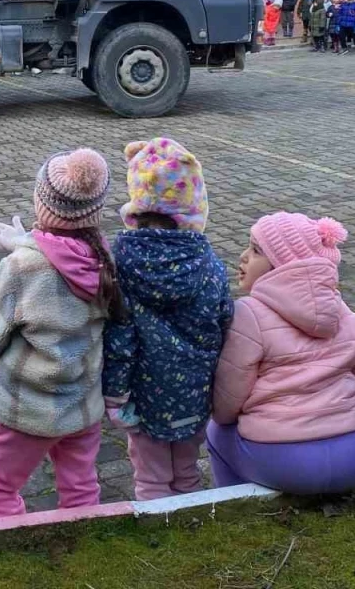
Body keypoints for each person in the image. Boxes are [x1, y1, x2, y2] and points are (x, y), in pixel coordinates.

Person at [0, 148, 119, 519]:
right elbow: (63, 258)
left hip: (28, 409)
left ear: (42, 203)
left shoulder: (20, 269)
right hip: (84, 406)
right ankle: (86, 545)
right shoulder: (104, 257)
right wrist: (25, 242)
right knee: (81, 486)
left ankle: (4, 550)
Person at [208, 212, 355, 494]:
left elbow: (229, 397)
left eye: (255, 250)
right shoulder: (343, 312)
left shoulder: (248, 313)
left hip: (284, 463)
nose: (243, 257)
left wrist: (227, 417)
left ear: (281, 264)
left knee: (217, 430)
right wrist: (339, 407)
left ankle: (233, 503)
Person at [102, 138, 233, 500]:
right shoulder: (209, 263)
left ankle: (160, 532)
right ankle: (191, 522)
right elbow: (224, 321)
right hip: (195, 393)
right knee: (187, 469)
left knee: (151, 476)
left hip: (144, 397)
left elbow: (119, 334)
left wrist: (115, 394)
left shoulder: (120, 261)